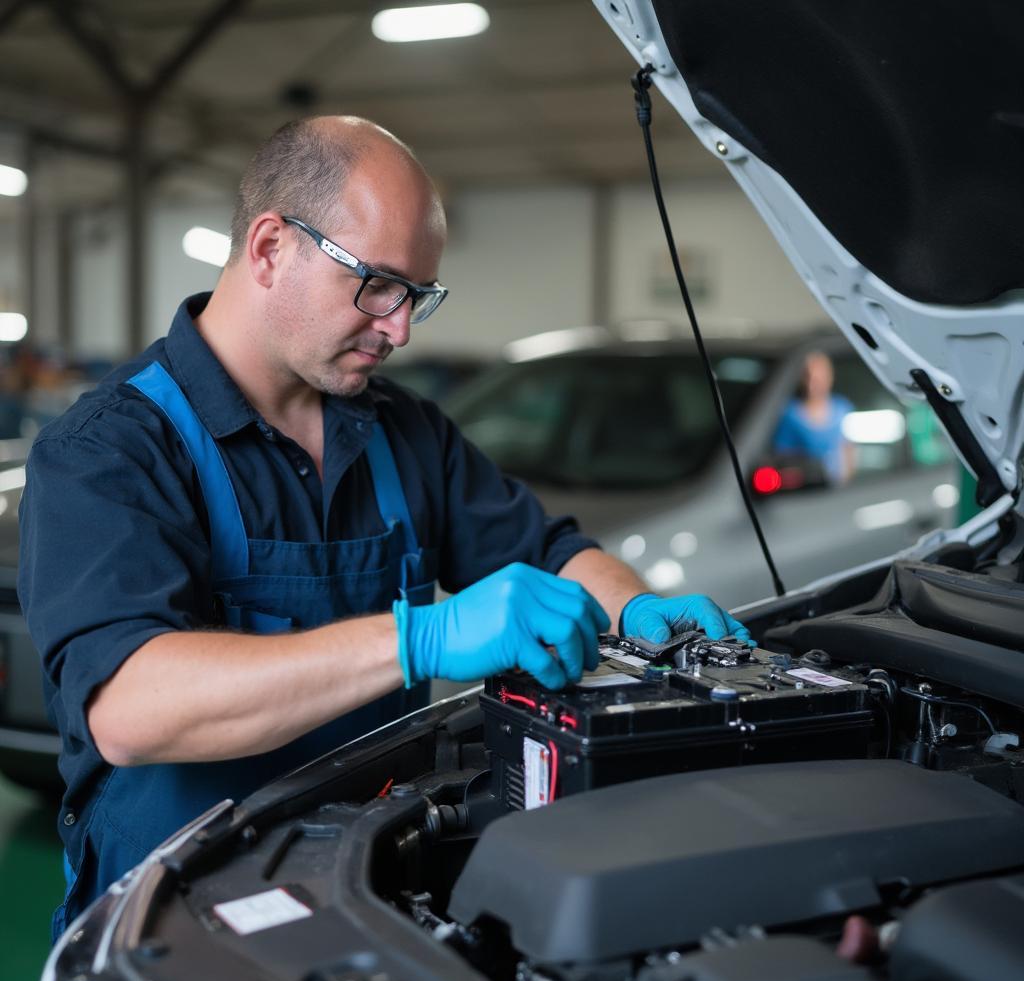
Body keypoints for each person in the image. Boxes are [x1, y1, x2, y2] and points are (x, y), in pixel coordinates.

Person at [18, 116, 750, 939]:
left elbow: (549, 552)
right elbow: (130, 707)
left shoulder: (404, 431)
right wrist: (419, 640)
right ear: (269, 248)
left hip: (369, 890)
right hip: (172, 924)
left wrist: (640, 612)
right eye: (378, 285)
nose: (399, 328)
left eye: (418, 298)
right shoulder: (109, 451)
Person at [771, 350, 855, 485]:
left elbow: (849, 450)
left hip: (838, 490)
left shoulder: (843, 408)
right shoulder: (789, 414)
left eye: (818, 378)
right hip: (807, 491)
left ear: (829, 377)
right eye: (807, 377)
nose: (812, 385)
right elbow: (783, 459)